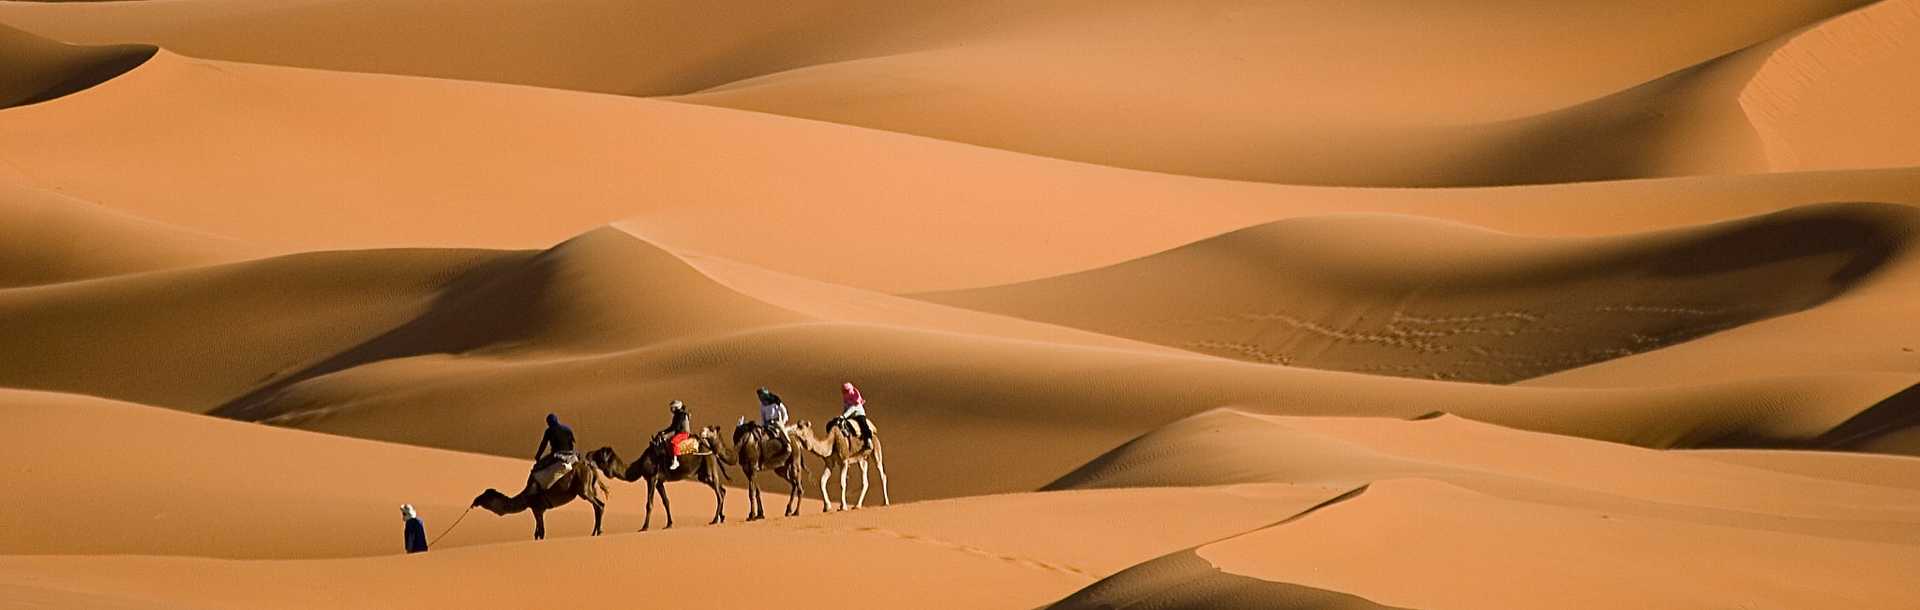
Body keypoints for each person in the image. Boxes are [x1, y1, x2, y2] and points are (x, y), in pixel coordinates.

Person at [530, 413, 578, 489]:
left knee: (537, 467)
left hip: (557, 454)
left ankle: (535, 487)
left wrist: (538, 456)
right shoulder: (567, 429)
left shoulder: (549, 431)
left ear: (549, 423)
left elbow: (543, 445)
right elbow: (572, 442)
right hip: (571, 454)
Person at [652, 400, 693, 470]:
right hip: (678, 432)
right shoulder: (677, 415)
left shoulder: (681, 415)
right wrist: (663, 432)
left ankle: (675, 461)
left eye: (672, 408)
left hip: (683, 433)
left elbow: (676, 427)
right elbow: (672, 427)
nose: (671, 410)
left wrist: (666, 433)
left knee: (673, 441)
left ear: (677, 407)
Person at [839, 382, 874, 448]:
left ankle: (868, 440)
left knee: (863, 425)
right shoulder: (846, 398)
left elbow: (853, 408)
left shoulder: (855, 397)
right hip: (850, 415)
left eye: (846, 391)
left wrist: (844, 416)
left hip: (859, 414)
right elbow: (846, 408)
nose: (845, 392)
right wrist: (843, 416)